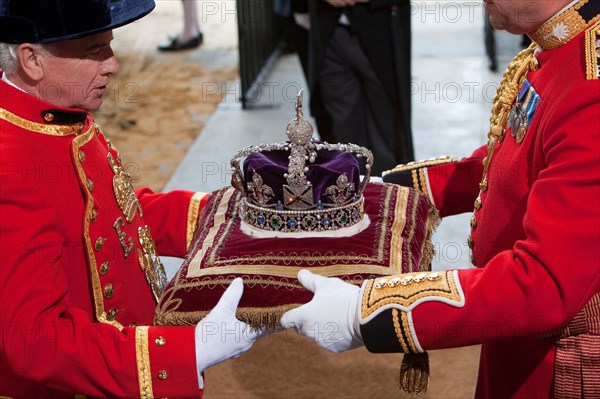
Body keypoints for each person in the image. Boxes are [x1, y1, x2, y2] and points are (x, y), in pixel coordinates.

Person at [281, 0, 600, 398]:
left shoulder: (592, 90)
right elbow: (511, 162)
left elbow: (544, 285)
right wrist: (383, 190)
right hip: (514, 330)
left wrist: (367, 311)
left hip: (557, 358)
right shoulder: (563, 45)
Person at [0, 0, 261, 397]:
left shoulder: (54, 110)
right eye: (93, 52)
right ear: (31, 59)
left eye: (109, 45)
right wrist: (185, 353)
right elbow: (34, 341)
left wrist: (228, 215)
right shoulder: (11, 165)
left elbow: (117, 214)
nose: (113, 64)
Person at [305, 0, 414, 175]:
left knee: (386, 130)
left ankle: (385, 197)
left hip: (380, 25)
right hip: (328, 27)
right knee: (341, 134)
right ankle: (349, 195)